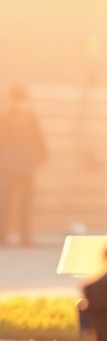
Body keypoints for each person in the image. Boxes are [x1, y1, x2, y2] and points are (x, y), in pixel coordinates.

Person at [0, 86, 46, 246]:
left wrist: (40, 157)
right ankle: (2, 236)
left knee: (26, 203)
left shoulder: (30, 119)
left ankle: (25, 237)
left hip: (26, 167)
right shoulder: (5, 119)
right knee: (5, 202)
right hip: (8, 167)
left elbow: (39, 140)